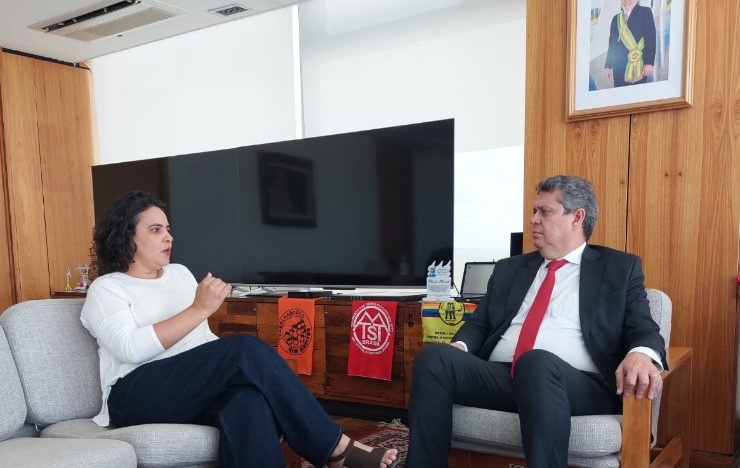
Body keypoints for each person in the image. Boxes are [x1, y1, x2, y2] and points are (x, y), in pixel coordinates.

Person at [80, 191, 398, 468]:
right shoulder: (106, 289)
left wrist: (224, 365)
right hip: (135, 394)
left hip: (190, 388)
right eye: (155, 229)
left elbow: (201, 341)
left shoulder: (178, 274)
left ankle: (332, 449)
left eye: (168, 229)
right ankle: (334, 448)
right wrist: (199, 309)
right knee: (245, 350)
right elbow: (129, 348)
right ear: (126, 237)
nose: (168, 237)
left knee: (248, 402)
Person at [405, 175, 666, 468]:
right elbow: (480, 325)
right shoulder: (510, 268)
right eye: (533, 211)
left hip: (577, 384)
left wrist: (641, 354)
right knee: (434, 358)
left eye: (545, 212)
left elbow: (643, 328)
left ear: (576, 218)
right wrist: (462, 346)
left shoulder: (619, 268)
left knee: (536, 362)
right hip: (505, 376)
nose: (533, 220)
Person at [604, 0, 657, 87]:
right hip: (618, 68)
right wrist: (608, 65)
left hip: (638, 65)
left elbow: (651, 39)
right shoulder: (616, 19)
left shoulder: (645, 12)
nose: (627, 0)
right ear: (620, 1)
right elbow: (612, 44)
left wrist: (649, 63)